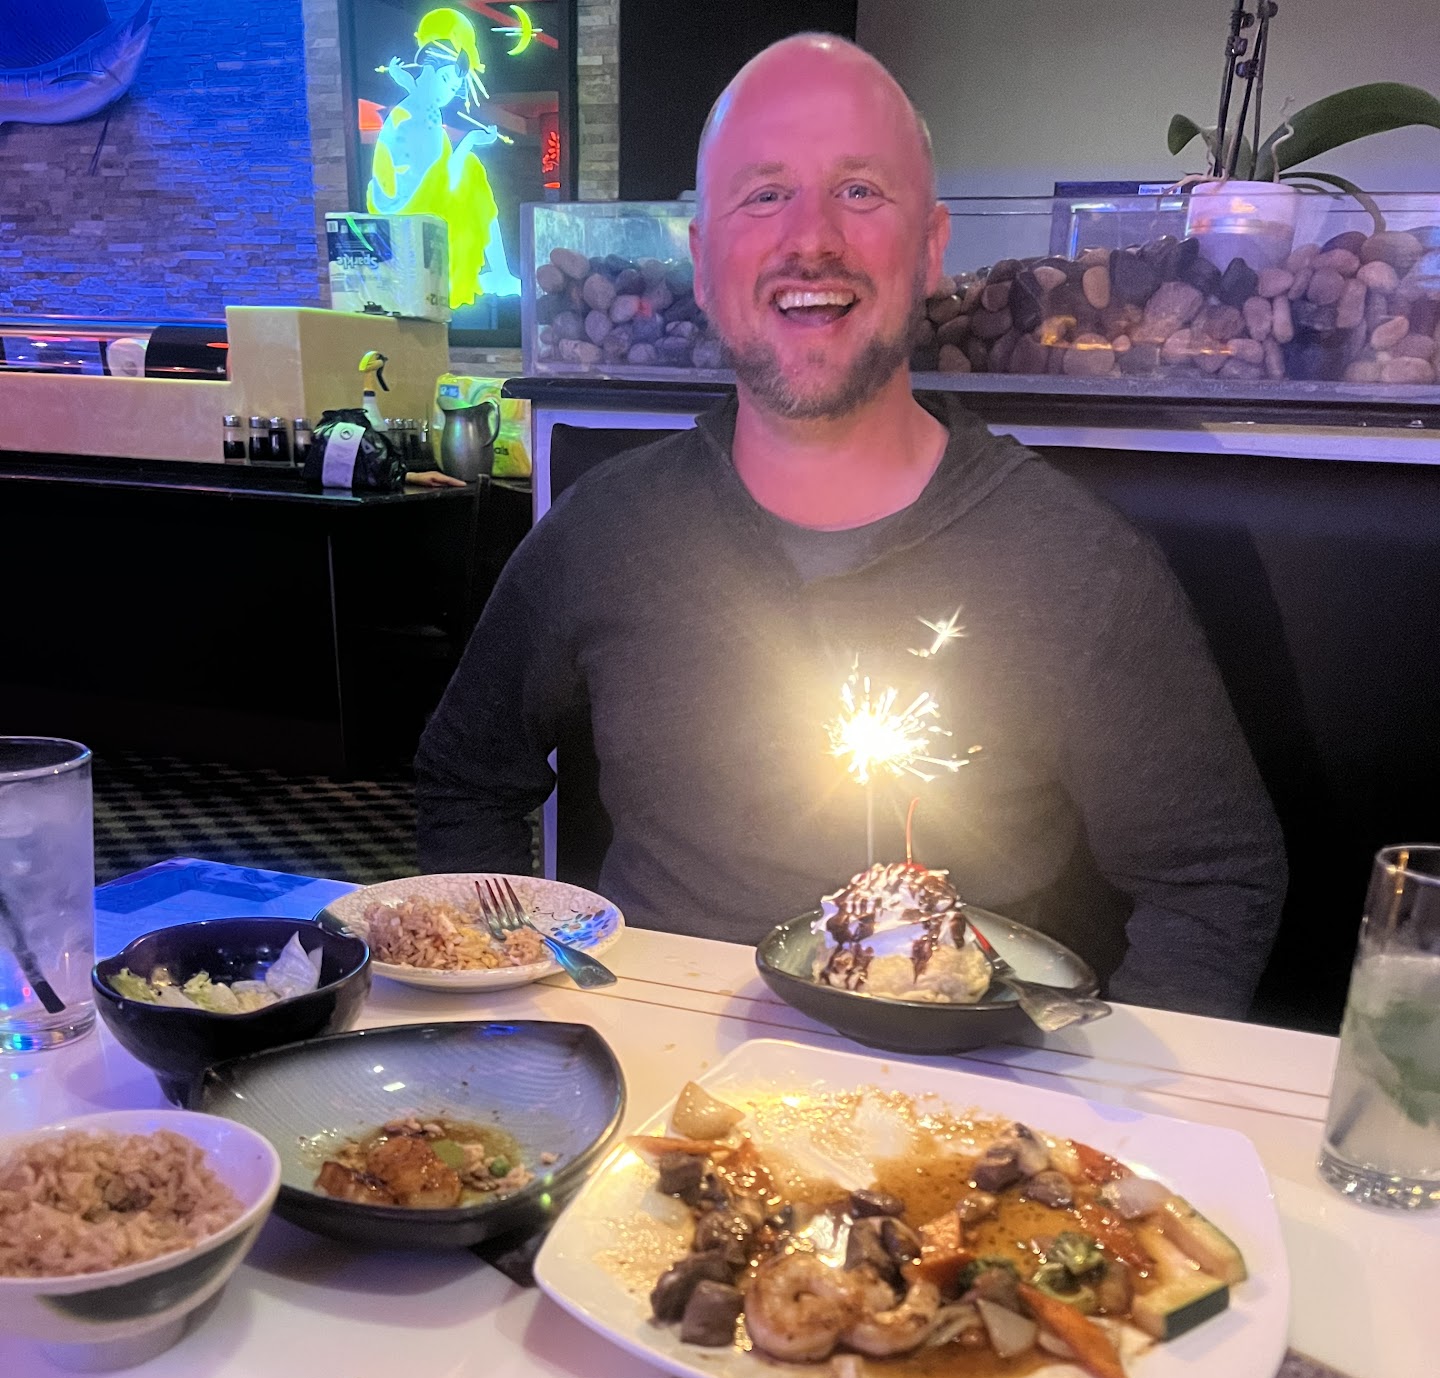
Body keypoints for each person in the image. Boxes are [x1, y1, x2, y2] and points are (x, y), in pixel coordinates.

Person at [417, 34, 1286, 1017]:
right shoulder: (605, 528)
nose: (812, 238)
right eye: (764, 195)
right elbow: (464, 775)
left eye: (860, 191)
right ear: (702, 260)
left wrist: (1098, 1093)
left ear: (930, 247)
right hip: (652, 1074)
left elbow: (1215, 878)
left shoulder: (1080, 561)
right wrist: (523, 1002)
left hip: (949, 1087)